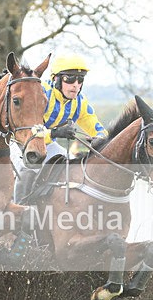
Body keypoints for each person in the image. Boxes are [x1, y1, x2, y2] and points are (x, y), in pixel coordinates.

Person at [12, 52, 106, 202]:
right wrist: (56, 132)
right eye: (69, 78)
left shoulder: (79, 102)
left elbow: (96, 127)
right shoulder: (41, 93)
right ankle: (18, 212)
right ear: (55, 79)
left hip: (45, 145)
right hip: (20, 142)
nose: (75, 84)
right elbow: (30, 133)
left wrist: (100, 139)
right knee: (29, 168)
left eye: (80, 79)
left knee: (73, 166)